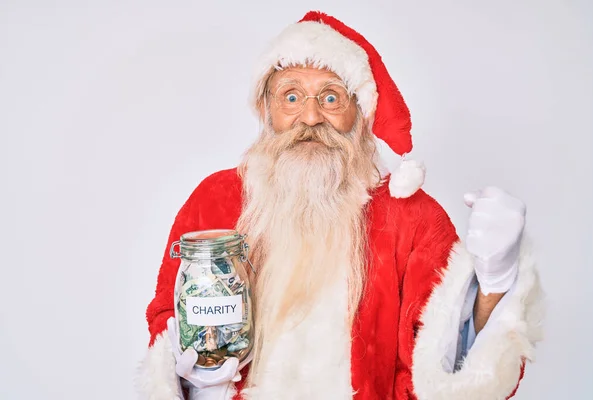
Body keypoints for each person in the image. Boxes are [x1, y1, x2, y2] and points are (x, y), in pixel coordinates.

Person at [136, 11, 544, 400]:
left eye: (330, 98)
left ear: (361, 114)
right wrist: (198, 378)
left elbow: (449, 375)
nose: (309, 117)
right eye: (291, 96)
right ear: (266, 109)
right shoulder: (215, 201)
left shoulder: (413, 218)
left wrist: (493, 283)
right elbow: (166, 319)